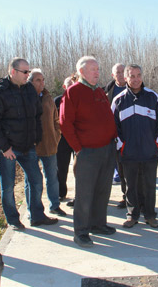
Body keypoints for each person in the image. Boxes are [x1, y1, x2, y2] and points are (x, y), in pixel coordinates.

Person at [0, 57, 58, 230]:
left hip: (28, 146)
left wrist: (36, 138)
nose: (28, 75)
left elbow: (36, 116)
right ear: (13, 72)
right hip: (9, 149)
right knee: (8, 186)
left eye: (28, 71)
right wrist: (4, 147)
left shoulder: (29, 91)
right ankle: (13, 220)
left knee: (36, 180)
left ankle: (37, 216)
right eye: (25, 72)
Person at [60, 56, 117, 248]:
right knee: (85, 194)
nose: (97, 72)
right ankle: (81, 232)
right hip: (88, 152)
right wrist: (78, 148)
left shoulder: (99, 91)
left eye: (98, 69)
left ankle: (98, 224)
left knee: (103, 190)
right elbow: (65, 123)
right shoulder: (73, 92)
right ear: (81, 72)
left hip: (107, 149)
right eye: (93, 69)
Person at [111, 64, 158, 229]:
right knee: (131, 186)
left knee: (149, 185)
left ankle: (150, 215)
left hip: (149, 153)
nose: (135, 79)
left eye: (138, 75)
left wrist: (156, 145)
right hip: (128, 154)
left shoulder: (153, 97)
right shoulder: (119, 100)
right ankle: (132, 215)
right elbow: (113, 128)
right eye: (132, 76)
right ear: (126, 78)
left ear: (142, 76)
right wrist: (122, 147)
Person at [28, 69, 66, 217]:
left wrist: (56, 136)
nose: (42, 83)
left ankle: (54, 205)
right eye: (38, 80)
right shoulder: (25, 97)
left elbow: (56, 119)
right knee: (32, 180)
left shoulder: (48, 97)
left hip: (49, 144)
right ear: (30, 82)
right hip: (30, 146)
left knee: (52, 177)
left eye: (43, 80)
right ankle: (34, 210)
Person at [103, 63, 128, 203]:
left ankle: (130, 197)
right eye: (117, 72)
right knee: (116, 165)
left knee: (129, 167)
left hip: (130, 133)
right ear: (113, 75)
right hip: (112, 133)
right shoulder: (106, 92)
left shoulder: (135, 88)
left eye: (122, 71)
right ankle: (125, 198)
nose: (120, 74)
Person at [54, 76, 76, 205]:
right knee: (61, 168)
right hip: (62, 140)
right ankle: (60, 193)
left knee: (80, 168)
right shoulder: (57, 101)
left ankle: (80, 195)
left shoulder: (79, 100)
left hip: (77, 139)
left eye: (74, 84)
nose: (71, 86)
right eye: (69, 84)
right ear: (64, 87)